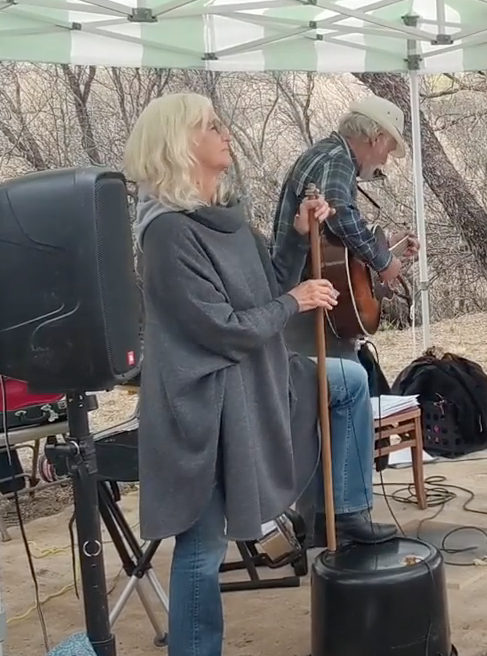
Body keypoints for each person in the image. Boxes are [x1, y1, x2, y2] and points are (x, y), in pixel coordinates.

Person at [124, 92, 366, 656]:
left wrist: (298, 234)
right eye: (211, 126)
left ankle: (345, 515)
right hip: (203, 405)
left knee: (350, 382)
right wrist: (296, 301)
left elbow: (269, 284)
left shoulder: (226, 219)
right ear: (180, 144)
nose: (225, 132)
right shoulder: (167, 234)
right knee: (202, 546)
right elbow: (221, 328)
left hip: (256, 381)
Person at [273, 95, 420, 540]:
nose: (387, 159)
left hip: (310, 302)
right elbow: (339, 215)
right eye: (389, 147)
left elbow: (336, 244)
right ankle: (346, 515)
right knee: (339, 400)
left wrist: (385, 246)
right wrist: (383, 260)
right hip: (307, 308)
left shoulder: (324, 156)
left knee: (319, 416)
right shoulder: (336, 158)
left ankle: (322, 520)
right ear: (373, 137)